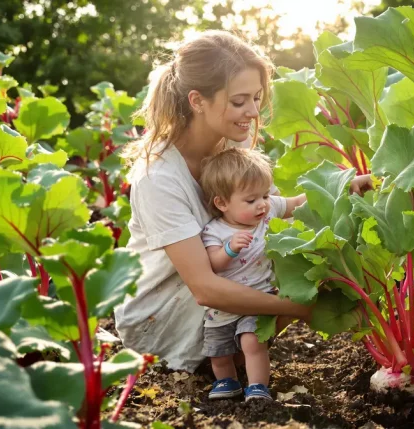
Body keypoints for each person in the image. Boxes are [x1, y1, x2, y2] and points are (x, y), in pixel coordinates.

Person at [115, 30, 371, 374]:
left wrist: (344, 189)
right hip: (161, 320)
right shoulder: (158, 177)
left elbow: (272, 210)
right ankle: (223, 357)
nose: (252, 112)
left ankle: (237, 352)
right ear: (197, 100)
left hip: (222, 293)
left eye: (256, 98)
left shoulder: (233, 145)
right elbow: (205, 288)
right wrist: (301, 309)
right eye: (239, 101)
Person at [198, 148, 307, 401]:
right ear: (222, 203)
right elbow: (214, 264)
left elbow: (296, 203)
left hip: (258, 299)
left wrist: (343, 184)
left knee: (252, 342)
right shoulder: (215, 232)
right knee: (219, 352)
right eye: (251, 200)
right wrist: (230, 249)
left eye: (266, 195)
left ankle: (258, 386)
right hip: (222, 308)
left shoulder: (267, 214)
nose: (262, 204)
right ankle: (228, 381)